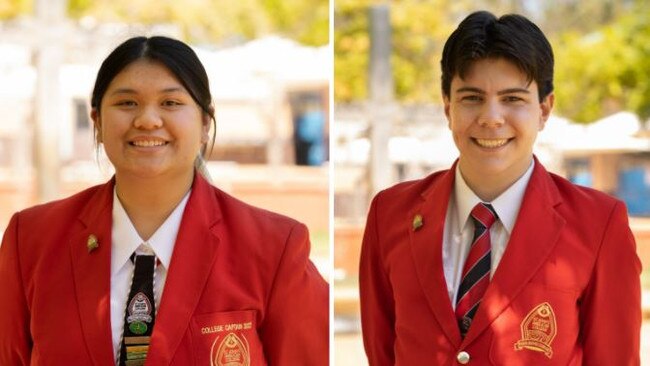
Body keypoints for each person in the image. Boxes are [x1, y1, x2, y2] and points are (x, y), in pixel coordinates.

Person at [0, 36, 328, 365]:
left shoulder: (273, 247)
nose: (148, 120)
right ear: (97, 122)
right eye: (127, 103)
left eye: (170, 103)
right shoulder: (30, 240)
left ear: (204, 122)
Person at [359, 10, 641, 365]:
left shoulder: (598, 225)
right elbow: (381, 351)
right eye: (472, 98)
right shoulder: (391, 215)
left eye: (512, 99)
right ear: (448, 108)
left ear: (544, 110)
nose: (491, 117)